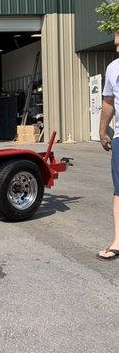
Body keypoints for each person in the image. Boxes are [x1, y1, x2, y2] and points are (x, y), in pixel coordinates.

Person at [98, 30, 119, 261]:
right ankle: (118, 241)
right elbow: (108, 102)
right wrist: (103, 131)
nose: (116, 49)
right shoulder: (113, 68)